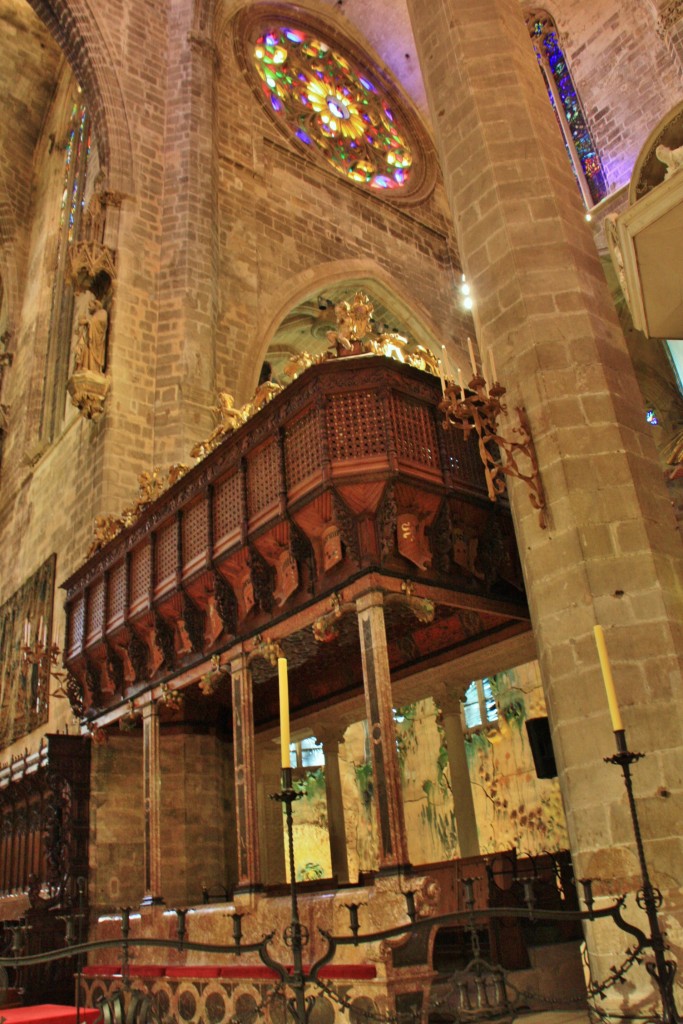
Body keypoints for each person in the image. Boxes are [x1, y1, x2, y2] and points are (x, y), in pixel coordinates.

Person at [74, 295, 108, 373]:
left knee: (89, 349)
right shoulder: (94, 316)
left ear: (96, 305)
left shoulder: (103, 312)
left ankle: (93, 368)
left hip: (96, 341)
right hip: (90, 340)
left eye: (90, 305)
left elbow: (101, 322)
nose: (89, 308)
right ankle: (84, 366)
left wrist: (89, 322)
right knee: (85, 349)